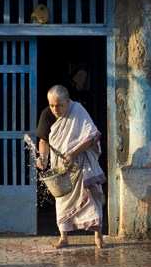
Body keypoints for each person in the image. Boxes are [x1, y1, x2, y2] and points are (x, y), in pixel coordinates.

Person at [36, 85, 106, 249]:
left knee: (91, 197)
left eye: (59, 105)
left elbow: (91, 137)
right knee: (62, 199)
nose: (55, 109)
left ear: (68, 102)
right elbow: (43, 141)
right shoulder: (47, 115)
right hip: (60, 165)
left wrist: (73, 154)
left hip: (81, 162)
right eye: (52, 105)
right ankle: (64, 237)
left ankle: (98, 236)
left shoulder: (78, 111)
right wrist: (44, 157)